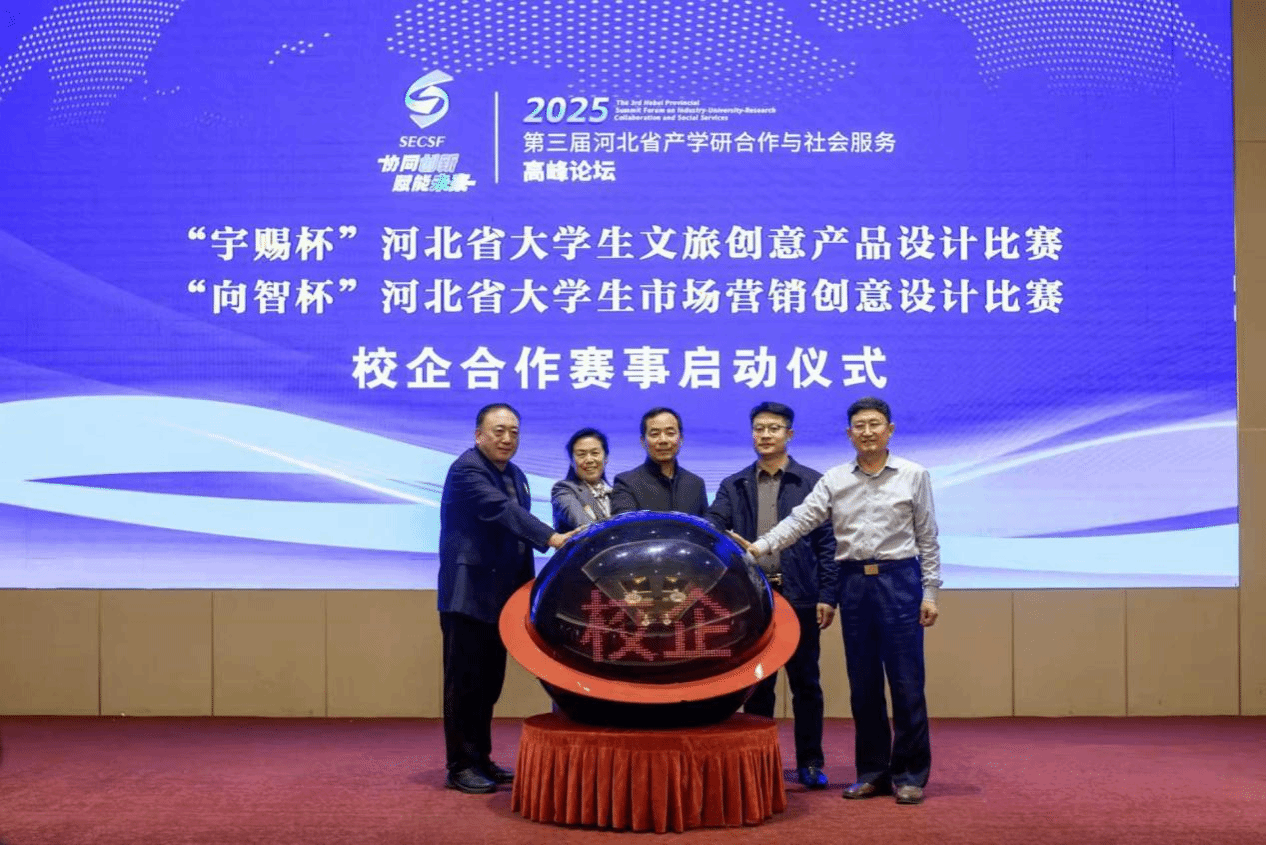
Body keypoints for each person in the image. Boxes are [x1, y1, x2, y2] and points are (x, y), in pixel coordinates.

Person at [746, 396, 941, 805]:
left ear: (889, 430)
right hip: (854, 584)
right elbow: (801, 520)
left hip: (900, 580)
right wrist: (761, 547)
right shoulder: (835, 479)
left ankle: (910, 775)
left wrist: (930, 592)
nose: (867, 432)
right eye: (859, 425)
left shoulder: (914, 474)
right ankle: (872, 773)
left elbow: (927, 537)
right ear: (849, 433)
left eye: (875, 424)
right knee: (863, 685)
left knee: (907, 684)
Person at [437, 403, 572, 794]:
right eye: (499, 431)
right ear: (479, 434)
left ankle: (481, 759)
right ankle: (460, 765)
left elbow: (516, 538)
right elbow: (502, 511)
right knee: (465, 685)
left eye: (514, 431)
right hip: (468, 595)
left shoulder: (516, 475)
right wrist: (552, 537)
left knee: (488, 684)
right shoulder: (466, 470)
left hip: (502, 598)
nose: (507, 438)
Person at [706, 401, 838, 790]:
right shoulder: (735, 485)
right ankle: (759, 764)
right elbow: (714, 523)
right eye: (759, 428)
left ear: (789, 434)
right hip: (753, 599)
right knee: (757, 685)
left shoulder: (811, 482)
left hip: (800, 595)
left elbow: (828, 544)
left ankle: (810, 762)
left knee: (806, 683)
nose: (765, 435)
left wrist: (828, 593)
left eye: (774, 428)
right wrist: (719, 533)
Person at [609, 407, 708, 517]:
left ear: (681, 439)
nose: (663, 440)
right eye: (655, 434)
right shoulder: (626, 483)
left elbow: (705, 526)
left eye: (670, 433)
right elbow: (625, 526)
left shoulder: (696, 484)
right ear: (642, 441)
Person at [551, 427, 614, 531]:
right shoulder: (563, 490)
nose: (589, 460)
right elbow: (584, 526)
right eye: (581, 454)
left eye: (595, 453)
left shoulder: (617, 493)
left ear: (606, 458)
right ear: (571, 461)